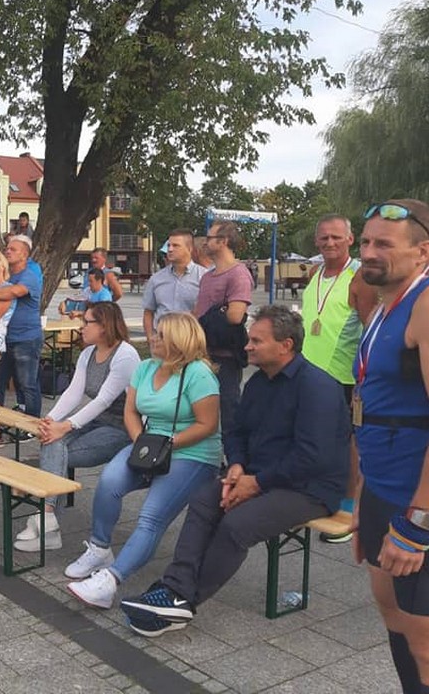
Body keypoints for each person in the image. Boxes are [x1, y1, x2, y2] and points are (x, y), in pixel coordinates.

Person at [120, 306, 350, 636]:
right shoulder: (258, 383)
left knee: (237, 524)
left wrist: (256, 482)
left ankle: (182, 600)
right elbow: (235, 431)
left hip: (309, 489)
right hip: (256, 475)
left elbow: (311, 457)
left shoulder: (317, 387)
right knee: (204, 501)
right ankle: (174, 587)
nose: (247, 346)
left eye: (256, 340)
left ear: (285, 345)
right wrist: (238, 466)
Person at [349, 199, 429, 694]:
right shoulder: (384, 307)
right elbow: (372, 408)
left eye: (384, 244)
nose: (369, 252)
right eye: (366, 241)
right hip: (381, 495)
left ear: (423, 251)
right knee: (395, 621)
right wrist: (362, 499)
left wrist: (416, 524)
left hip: (422, 507)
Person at [65, 312, 221, 609]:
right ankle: (99, 548)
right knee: (109, 482)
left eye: (160, 334)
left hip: (192, 452)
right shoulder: (146, 367)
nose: (152, 337)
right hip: (150, 444)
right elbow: (131, 411)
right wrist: (141, 443)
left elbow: (207, 425)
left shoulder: (198, 374)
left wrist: (168, 444)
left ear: (178, 340)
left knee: (151, 515)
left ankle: (110, 581)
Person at [14, 302, 141, 553]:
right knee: (52, 442)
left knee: (57, 453)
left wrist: (66, 425)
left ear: (104, 326)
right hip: (96, 421)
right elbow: (73, 392)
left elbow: (104, 400)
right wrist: (50, 420)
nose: (82, 327)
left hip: (122, 428)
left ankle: (47, 518)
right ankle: (48, 520)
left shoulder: (125, 355)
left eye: (87, 322)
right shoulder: (88, 353)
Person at [300, 214, 379, 544]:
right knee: (313, 438)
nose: (329, 243)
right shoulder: (316, 273)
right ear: (316, 242)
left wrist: (367, 377)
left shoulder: (359, 277)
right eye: (324, 238)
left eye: (336, 237)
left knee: (349, 444)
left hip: (344, 376)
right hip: (308, 373)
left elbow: (371, 329)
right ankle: (316, 496)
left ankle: (349, 510)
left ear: (350, 239)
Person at [194, 220, 253, 446]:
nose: (205, 242)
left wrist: (208, 318)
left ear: (223, 241)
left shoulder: (238, 274)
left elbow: (236, 315)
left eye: (210, 238)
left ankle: (234, 457)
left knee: (229, 411)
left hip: (225, 357)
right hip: (202, 353)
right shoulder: (208, 277)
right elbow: (198, 311)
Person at [0, 234, 44, 417]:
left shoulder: (29, 275)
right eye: (7, 248)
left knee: (27, 383)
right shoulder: (6, 276)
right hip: (3, 339)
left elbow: (14, 292)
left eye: (13, 249)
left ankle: (32, 424)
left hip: (26, 338)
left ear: (24, 255)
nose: (7, 251)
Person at [142, 229, 206, 340]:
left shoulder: (204, 277)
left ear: (189, 248)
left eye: (176, 246)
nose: (170, 249)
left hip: (190, 340)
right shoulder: (156, 279)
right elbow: (148, 312)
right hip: (162, 339)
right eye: (169, 245)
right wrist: (150, 338)